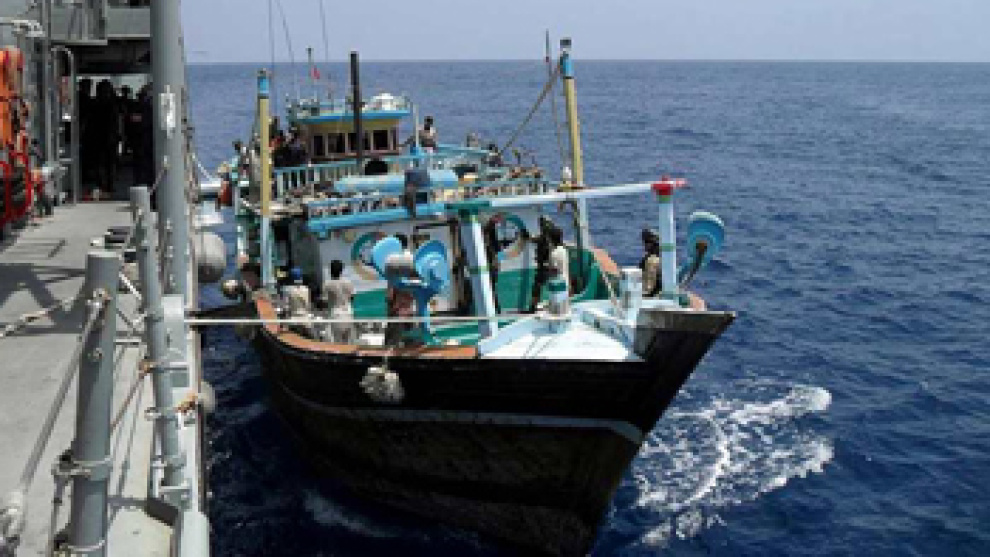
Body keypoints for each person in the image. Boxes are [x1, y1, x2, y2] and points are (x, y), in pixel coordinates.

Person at [384, 234, 417, 346]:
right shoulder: (413, 258)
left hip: (397, 302)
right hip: (410, 300)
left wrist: (389, 300)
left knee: (393, 337)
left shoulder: (392, 260)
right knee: (410, 333)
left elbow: (391, 282)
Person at [322, 259, 356, 343]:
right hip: (348, 313)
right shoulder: (348, 282)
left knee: (337, 342)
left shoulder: (327, 284)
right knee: (348, 342)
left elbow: (324, 301)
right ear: (341, 270)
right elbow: (352, 298)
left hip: (335, 315)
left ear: (330, 270)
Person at [527, 216, 556, 312]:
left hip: (545, 267)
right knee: (540, 286)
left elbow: (535, 239)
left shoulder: (545, 238)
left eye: (542, 224)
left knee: (538, 287)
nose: (541, 226)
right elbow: (535, 239)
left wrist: (527, 236)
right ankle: (536, 306)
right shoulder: (548, 237)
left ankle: (534, 307)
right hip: (546, 266)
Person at [283, 268, 315, 338]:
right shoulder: (306, 289)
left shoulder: (287, 290)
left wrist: (284, 322)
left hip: (294, 321)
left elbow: (286, 308)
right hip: (306, 320)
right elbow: (308, 305)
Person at [483, 215, 502, 312]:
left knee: (491, 287)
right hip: (493, 266)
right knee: (491, 287)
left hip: (492, 266)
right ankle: (496, 308)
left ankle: (495, 308)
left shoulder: (490, 244)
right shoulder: (493, 243)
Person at [640, 229, 662, 297]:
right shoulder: (663, 258)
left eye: (647, 242)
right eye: (645, 242)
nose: (645, 244)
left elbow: (648, 288)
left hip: (652, 297)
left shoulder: (652, 260)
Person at [548, 226, 570, 296]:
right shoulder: (564, 250)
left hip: (557, 287)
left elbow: (554, 271)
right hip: (565, 283)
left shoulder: (554, 253)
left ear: (551, 239)